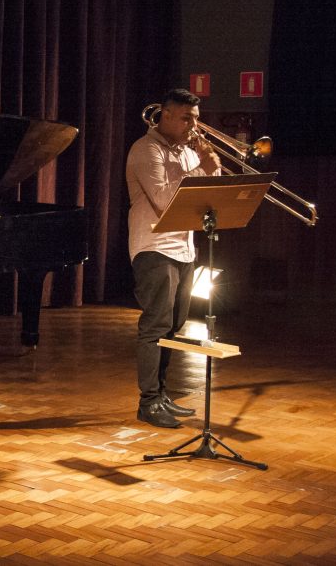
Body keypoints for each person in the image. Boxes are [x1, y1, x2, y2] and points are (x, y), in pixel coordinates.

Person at [126, 89, 222, 428]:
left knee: (174, 326)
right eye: (186, 118)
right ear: (165, 115)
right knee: (155, 326)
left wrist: (211, 168)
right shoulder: (145, 149)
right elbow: (166, 199)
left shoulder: (185, 152)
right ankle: (148, 401)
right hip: (154, 246)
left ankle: (161, 393)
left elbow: (209, 194)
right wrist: (200, 169)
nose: (194, 125)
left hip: (184, 247)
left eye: (195, 118)